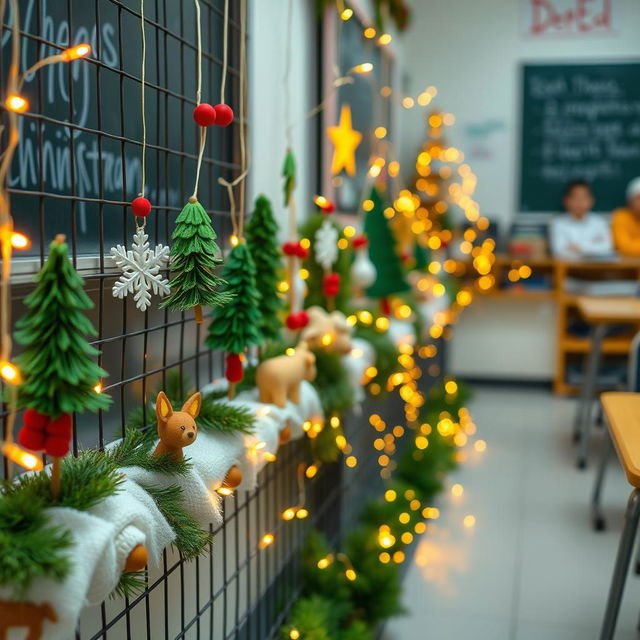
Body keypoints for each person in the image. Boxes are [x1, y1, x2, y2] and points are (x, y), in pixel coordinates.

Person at [550, 180, 613, 258]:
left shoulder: (600, 222)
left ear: (592, 200)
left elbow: (607, 247)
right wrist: (593, 246)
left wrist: (578, 247)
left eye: (584, 197)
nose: (580, 202)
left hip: (596, 267)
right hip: (568, 267)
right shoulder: (558, 223)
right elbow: (559, 251)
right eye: (575, 197)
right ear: (566, 201)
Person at [611, 177, 640, 256]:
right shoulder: (620, 216)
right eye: (639, 198)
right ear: (630, 201)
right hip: (628, 267)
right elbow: (624, 247)